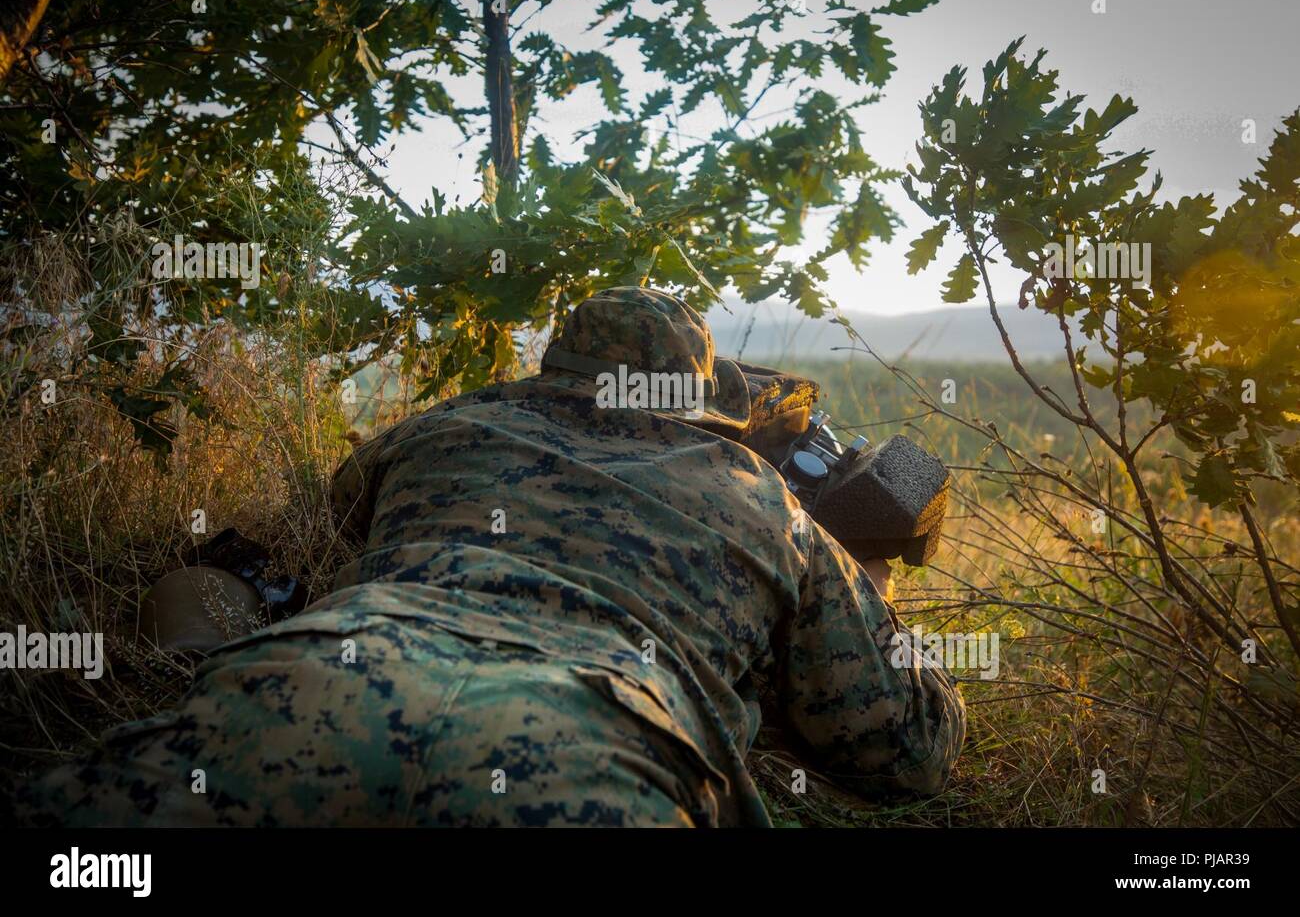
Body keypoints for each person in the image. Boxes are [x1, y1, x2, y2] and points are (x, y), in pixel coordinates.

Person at [10, 286, 964, 827]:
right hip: (592, 748)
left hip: (309, 685)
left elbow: (315, 536)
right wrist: (865, 581)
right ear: (698, 403)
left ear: (557, 371)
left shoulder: (448, 427)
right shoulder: (759, 497)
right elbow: (906, 753)